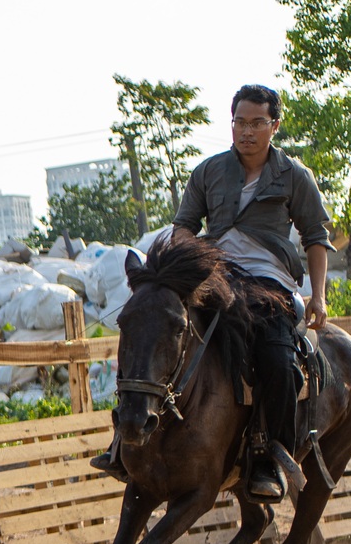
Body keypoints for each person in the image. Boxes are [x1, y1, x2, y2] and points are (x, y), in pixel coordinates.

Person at [91, 83, 331, 501]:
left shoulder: (295, 176)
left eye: (257, 123)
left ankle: (268, 458)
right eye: (240, 122)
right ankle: (124, 442)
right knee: (156, 332)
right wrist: (185, 266)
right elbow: (184, 224)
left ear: (275, 125)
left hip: (268, 284)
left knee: (277, 360)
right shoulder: (208, 171)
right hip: (215, 276)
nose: (247, 131)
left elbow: (316, 237)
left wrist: (319, 296)